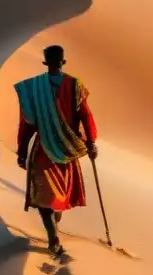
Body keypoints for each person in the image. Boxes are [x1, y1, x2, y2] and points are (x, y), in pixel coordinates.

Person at [15, 45, 98, 257]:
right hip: (66, 150)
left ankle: (53, 233)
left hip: (44, 151)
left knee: (46, 198)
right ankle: (53, 239)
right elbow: (86, 117)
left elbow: (27, 124)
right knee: (55, 197)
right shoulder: (75, 86)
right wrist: (91, 142)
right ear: (62, 61)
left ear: (46, 62)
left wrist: (22, 150)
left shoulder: (34, 88)